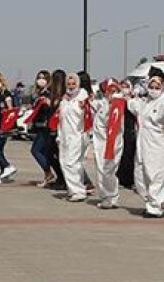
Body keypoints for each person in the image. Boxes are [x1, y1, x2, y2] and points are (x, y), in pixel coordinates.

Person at [130, 72, 164, 218]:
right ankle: (149, 201)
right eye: (151, 86)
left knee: (156, 176)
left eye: (157, 87)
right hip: (143, 145)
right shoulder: (145, 103)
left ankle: (156, 207)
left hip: (158, 147)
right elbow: (132, 105)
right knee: (140, 176)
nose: (154, 89)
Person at [91, 78, 126, 210]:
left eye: (114, 90)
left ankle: (111, 196)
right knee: (101, 169)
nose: (111, 93)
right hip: (99, 143)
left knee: (108, 170)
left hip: (113, 142)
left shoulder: (118, 105)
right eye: (109, 90)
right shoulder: (102, 104)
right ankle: (105, 196)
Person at [57, 72, 92, 202]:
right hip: (65, 136)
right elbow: (61, 119)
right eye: (69, 84)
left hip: (77, 135)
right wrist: (59, 136)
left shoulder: (83, 97)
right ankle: (74, 189)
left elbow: (88, 115)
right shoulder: (64, 100)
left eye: (73, 84)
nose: (71, 86)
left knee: (71, 163)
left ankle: (78, 191)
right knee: (65, 163)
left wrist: (84, 106)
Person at [27, 70, 57, 187]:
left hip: (46, 127)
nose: (41, 80)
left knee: (36, 150)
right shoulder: (38, 94)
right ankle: (47, 175)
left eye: (43, 78)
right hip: (39, 125)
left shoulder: (49, 93)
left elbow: (51, 108)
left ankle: (48, 173)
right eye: (39, 77)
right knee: (44, 151)